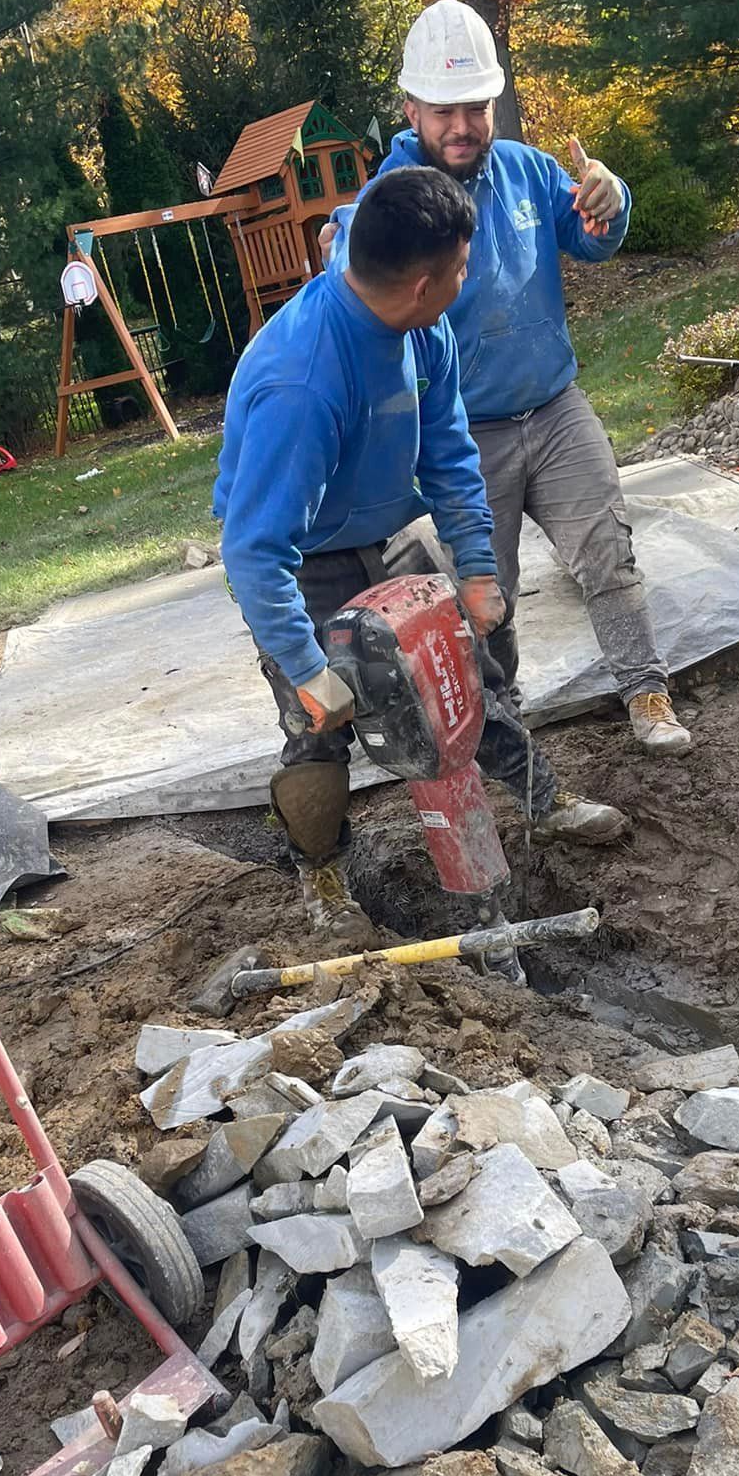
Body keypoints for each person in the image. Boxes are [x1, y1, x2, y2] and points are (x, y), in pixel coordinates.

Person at [214, 164, 628, 940]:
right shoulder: (301, 383)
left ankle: (542, 798)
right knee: (317, 728)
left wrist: (476, 568)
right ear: (422, 283)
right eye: (463, 268)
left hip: (393, 528)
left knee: (462, 671)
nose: (469, 279)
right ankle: (322, 874)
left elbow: (449, 454)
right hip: (306, 560)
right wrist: (305, 668)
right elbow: (253, 550)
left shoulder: (423, 325)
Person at [324, 0, 694, 760]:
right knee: (486, 594)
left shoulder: (526, 171)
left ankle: (646, 692)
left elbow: (591, 238)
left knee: (608, 552)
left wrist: (610, 200)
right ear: (411, 110)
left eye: (477, 108)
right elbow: (355, 270)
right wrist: (337, 247)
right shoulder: (392, 197)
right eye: (445, 112)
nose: (463, 126)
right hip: (464, 438)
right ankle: (508, 728)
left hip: (555, 408)